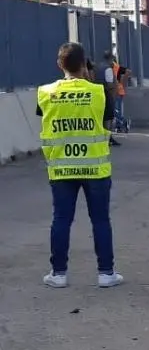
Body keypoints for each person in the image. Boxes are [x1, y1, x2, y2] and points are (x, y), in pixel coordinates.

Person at [36, 42, 124, 289]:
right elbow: (107, 125)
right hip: (95, 168)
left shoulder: (45, 92)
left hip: (62, 168)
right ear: (85, 64)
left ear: (59, 64)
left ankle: (59, 273)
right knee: (100, 220)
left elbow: (46, 121)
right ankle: (106, 273)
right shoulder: (98, 92)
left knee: (61, 220)